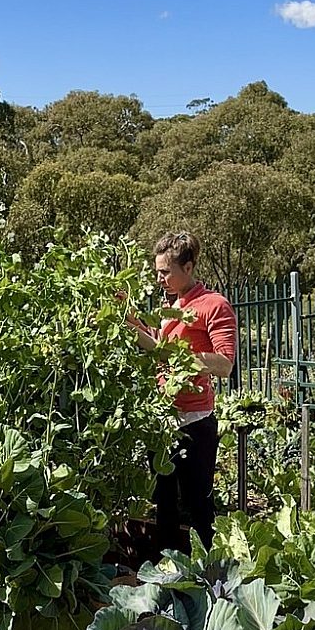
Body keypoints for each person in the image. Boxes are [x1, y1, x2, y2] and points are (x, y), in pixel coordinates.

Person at [122, 231, 237, 551]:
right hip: (162, 420)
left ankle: (208, 578)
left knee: (199, 507)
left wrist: (178, 356)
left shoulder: (214, 305)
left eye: (165, 272)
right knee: (164, 507)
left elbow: (225, 364)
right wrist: (126, 318)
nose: (160, 278)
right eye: (157, 272)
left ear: (188, 267)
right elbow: (158, 347)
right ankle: (167, 578)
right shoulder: (167, 307)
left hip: (194, 422)